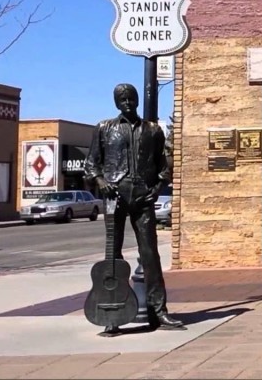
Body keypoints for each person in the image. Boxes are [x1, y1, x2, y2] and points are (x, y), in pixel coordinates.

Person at [84, 83, 185, 335]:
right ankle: (112, 314)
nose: (127, 101)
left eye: (131, 97)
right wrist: (101, 181)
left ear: (137, 99)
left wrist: (158, 187)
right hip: (114, 196)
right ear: (116, 102)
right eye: (122, 98)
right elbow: (91, 165)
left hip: (143, 196)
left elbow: (165, 165)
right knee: (113, 256)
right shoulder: (104, 128)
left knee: (150, 254)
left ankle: (158, 311)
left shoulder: (153, 130)